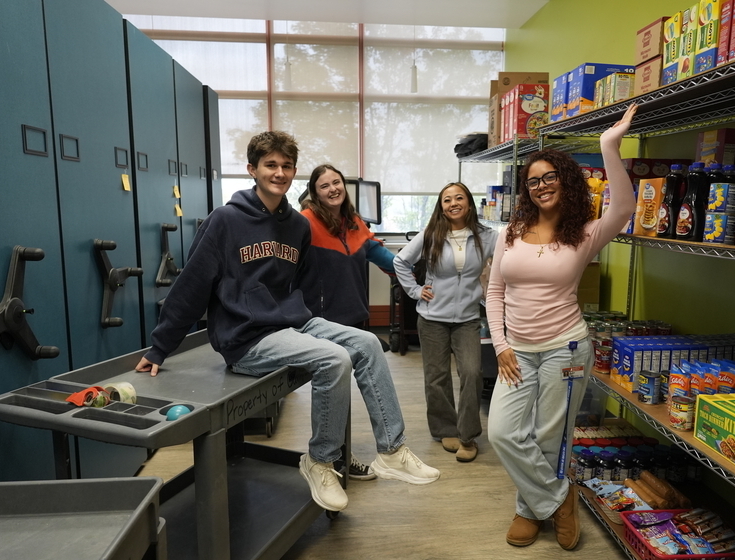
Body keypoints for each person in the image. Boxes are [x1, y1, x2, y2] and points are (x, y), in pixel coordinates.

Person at [135, 131, 439, 513]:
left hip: (291, 324)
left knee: (366, 344)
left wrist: (322, 328)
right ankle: (320, 459)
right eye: (270, 165)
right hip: (245, 336)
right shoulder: (225, 220)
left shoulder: (296, 226)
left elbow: (306, 285)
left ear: (294, 172)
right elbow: (192, 285)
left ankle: (392, 450)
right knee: (334, 359)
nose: (279, 172)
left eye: (286, 166)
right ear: (252, 169)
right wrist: (162, 345)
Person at [486, 104, 638, 549]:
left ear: (565, 181)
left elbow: (626, 205)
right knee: (503, 432)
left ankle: (527, 511)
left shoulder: (586, 232)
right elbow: (494, 294)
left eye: (549, 176)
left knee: (550, 436)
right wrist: (499, 345)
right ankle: (558, 498)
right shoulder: (509, 232)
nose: (540, 186)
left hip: (564, 349)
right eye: (532, 180)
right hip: (515, 350)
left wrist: (609, 146)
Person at [299, 163, 397, 480]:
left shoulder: (353, 222)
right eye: (324, 185)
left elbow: (382, 256)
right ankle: (329, 459)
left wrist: (417, 271)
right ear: (314, 192)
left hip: (353, 315)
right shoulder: (305, 223)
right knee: (331, 390)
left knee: (344, 393)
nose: (333, 189)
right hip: (322, 320)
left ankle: (340, 455)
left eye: (336, 182)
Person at [394, 182, 498, 462]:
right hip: (431, 319)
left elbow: (504, 266)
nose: (453, 203)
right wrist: (416, 291)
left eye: (459, 197)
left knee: (472, 373)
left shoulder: (488, 237)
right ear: (441, 206)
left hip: (467, 318)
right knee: (437, 378)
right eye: (447, 200)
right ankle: (445, 429)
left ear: (469, 203)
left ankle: (468, 435)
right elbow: (400, 262)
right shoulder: (431, 234)